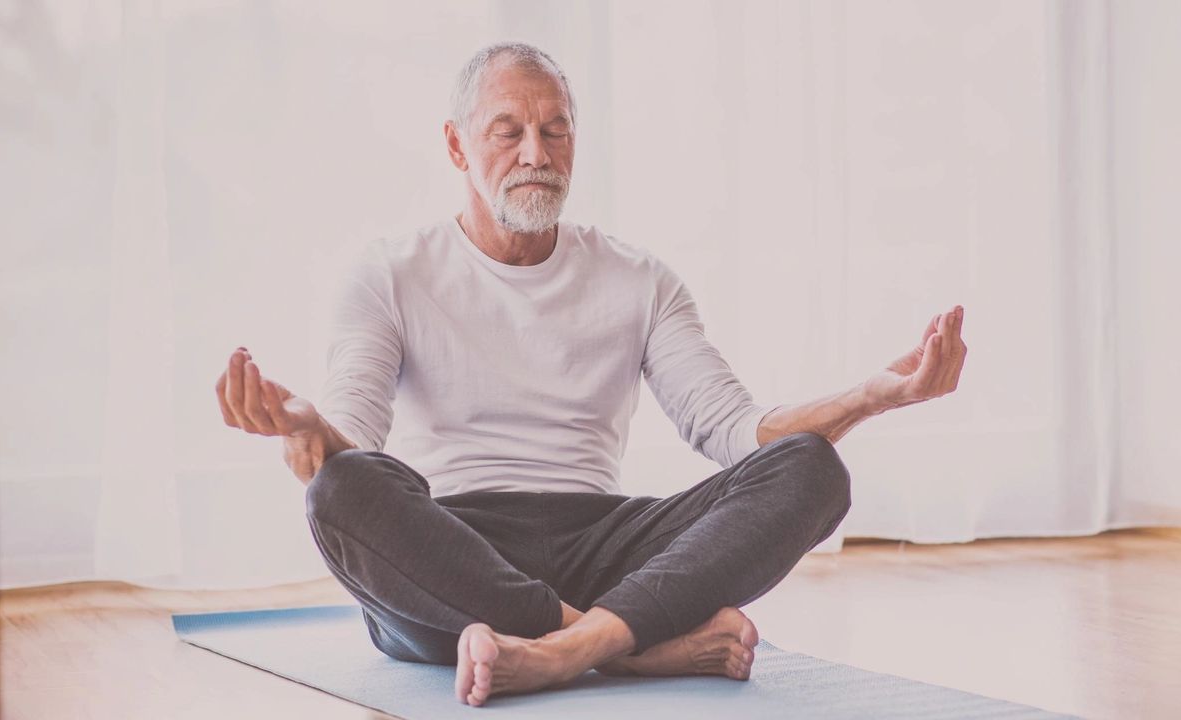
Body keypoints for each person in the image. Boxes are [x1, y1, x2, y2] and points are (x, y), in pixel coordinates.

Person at [214, 41, 967, 708]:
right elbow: (355, 436)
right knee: (342, 487)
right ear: (455, 146)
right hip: (454, 551)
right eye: (508, 132)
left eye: (556, 130)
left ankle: (567, 649)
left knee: (811, 469)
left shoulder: (640, 280)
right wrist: (307, 430)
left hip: (603, 544)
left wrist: (878, 394)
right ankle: (636, 649)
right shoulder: (387, 274)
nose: (536, 154)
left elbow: (741, 433)